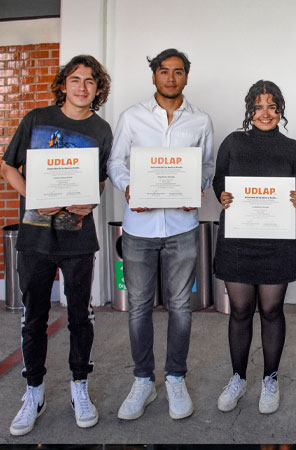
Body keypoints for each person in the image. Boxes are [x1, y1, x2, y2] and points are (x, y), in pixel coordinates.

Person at [2, 55, 112, 435]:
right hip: (36, 237)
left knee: (81, 315)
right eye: (76, 79)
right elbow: (8, 167)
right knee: (33, 316)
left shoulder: (101, 129)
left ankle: (79, 386)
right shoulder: (36, 119)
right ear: (64, 84)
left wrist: (92, 200)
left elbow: (98, 180)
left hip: (78, 238)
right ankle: (34, 391)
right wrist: (33, 195)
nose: (82, 87)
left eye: (90, 81)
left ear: (98, 90)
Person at [107, 48, 214, 420]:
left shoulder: (200, 121)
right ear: (154, 75)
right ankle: (143, 381)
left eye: (178, 71)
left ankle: (175, 378)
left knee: (181, 307)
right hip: (138, 228)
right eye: (164, 71)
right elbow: (115, 161)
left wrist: (198, 186)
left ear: (187, 77)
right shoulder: (132, 117)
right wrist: (128, 187)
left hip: (182, 227)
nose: (171, 78)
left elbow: (208, 164)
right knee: (139, 307)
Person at [213, 80, 296, 414]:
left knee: (271, 311)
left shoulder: (293, 148)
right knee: (240, 311)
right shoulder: (233, 142)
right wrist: (223, 195)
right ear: (249, 110)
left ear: (280, 110)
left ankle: (270, 379)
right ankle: (238, 378)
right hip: (237, 241)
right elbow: (219, 181)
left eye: (272, 106)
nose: (265, 113)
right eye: (258, 107)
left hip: (277, 243)